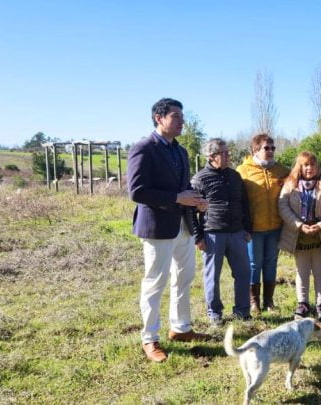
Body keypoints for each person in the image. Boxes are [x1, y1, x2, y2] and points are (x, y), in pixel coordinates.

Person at [127, 98, 211, 363]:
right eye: (175, 116)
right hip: (157, 227)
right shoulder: (143, 148)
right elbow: (137, 192)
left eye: (182, 116)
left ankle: (181, 328)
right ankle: (150, 339)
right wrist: (177, 198)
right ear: (158, 118)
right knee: (155, 283)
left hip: (183, 226)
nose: (181, 121)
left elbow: (184, 188)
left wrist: (196, 201)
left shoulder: (181, 151)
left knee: (184, 278)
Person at [191, 138, 253, 326]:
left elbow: (244, 204)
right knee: (212, 276)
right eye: (223, 153)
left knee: (243, 273)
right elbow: (190, 210)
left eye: (228, 153)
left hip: (237, 233)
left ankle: (242, 312)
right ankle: (214, 313)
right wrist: (198, 236)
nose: (227, 156)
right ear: (211, 156)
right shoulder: (199, 179)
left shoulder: (235, 177)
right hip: (212, 234)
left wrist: (247, 229)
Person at [278, 151, 321, 323]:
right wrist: (298, 224)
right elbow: (282, 205)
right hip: (299, 235)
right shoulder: (291, 183)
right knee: (302, 272)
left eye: (312, 165)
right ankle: (303, 304)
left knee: (320, 271)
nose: (309, 168)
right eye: (306, 165)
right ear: (300, 167)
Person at [236, 134, 290, 314]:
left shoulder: (282, 170)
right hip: (253, 229)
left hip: (275, 227)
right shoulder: (243, 171)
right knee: (254, 264)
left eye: (273, 148)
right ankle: (253, 302)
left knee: (271, 263)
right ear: (255, 150)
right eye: (267, 148)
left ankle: (269, 302)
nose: (271, 151)